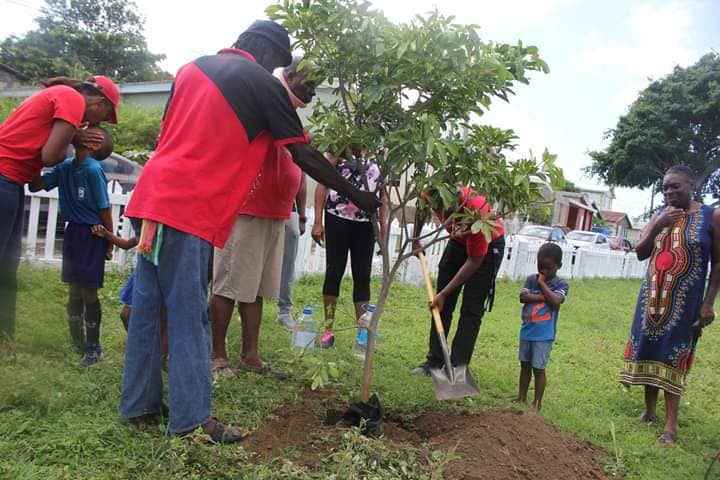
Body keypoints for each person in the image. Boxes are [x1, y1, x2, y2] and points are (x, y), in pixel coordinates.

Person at [119, 20, 379, 444]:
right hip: (188, 207)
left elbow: (169, 133)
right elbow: (302, 154)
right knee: (189, 316)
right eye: (275, 61)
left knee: (150, 309)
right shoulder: (262, 83)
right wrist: (357, 195)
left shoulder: (191, 69)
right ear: (258, 48)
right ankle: (190, 422)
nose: (274, 71)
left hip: (152, 197)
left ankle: (139, 406)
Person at [209, 56, 316, 376]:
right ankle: (216, 355)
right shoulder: (265, 103)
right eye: (308, 83)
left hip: (275, 213)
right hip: (246, 211)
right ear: (291, 76)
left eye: (315, 87)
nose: (311, 92)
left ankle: (250, 354)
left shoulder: (293, 120)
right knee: (228, 286)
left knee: (255, 289)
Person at [0, 75, 119, 341]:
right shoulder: (71, 98)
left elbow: (36, 174)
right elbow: (50, 156)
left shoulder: (67, 100)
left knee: (8, 262)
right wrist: (75, 137)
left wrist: (73, 136)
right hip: (3, 176)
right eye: (103, 117)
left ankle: (4, 336)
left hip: (13, 181)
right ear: (100, 102)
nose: (93, 126)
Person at [619, 165, 720, 446]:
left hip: (685, 303)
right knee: (650, 347)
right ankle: (650, 412)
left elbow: (719, 262)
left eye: (675, 186)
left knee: (674, 355)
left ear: (691, 185)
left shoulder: (711, 216)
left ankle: (671, 424)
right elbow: (640, 252)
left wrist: (708, 303)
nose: (669, 192)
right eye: (664, 188)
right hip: (651, 297)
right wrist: (657, 224)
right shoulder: (659, 216)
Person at [28, 127, 114, 366]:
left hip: (92, 234)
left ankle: (93, 347)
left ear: (94, 144)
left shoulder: (93, 170)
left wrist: (109, 241)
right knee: (74, 289)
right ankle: (76, 342)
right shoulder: (66, 166)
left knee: (88, 291)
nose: (80, 131)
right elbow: (36, 186)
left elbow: (104, 208)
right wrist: (35, 155)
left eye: (89, 132)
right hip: (73, 232)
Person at [411, 185, 505, 375]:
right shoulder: (433, 190)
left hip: (487, 242)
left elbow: (474, 260)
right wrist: (415, 238)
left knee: (471, 309)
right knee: (441, 306)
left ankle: (457, 366)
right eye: (443, 213)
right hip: (459, 240)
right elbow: (421, 207)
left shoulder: (477, 211)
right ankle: (434, 361)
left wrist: (444, 293)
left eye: (451, 213)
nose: (446, 218)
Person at [311, 149, 389, 349]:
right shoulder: (341, 147)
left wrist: (383, 231)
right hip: (337, 218)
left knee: (362, 275)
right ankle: (328, 330)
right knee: (334, 271)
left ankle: (362, 334)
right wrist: (317, 221)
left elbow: (384, 196)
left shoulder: (380, 154)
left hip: (366, 222)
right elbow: (322, 183)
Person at [91, 225, 169, 369]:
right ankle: (142, 346)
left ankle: (161, 359)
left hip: (166, 275)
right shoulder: (149, 229)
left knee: (164, 318)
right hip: (144, 274)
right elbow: (127, 244)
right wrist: (107, 234)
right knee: (126, 314)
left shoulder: (172, 234)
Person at [514, 243, 569, 412]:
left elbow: (555, 301)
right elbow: (523, 297)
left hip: (543, 335)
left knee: (538, 368)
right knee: (525, 365)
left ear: (558, 266)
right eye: (540, 266)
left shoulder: (561, 284)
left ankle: (537, 403)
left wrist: (542, 284)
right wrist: (542, 296)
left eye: (548, 268)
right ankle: (521, 396)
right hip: (527, 331)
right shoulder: (531, 279)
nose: (543, 271)